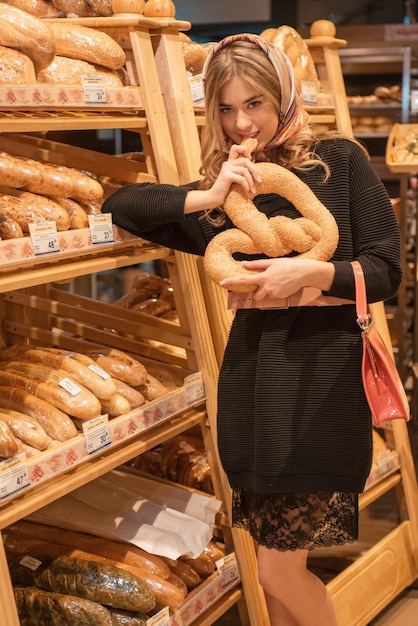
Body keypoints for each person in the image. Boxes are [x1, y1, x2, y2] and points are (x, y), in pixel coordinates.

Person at [102, 33, 402, 626]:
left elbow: (387, 268)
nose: (242, 123)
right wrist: (210, 192)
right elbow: (122, 206)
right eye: (226, 108)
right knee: (271, 575)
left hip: (320, 389)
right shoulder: (228, 194)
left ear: (282, 97)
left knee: (275, 571)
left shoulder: (341, 163)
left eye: (255, 104)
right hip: (251, 391)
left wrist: (311, 271)